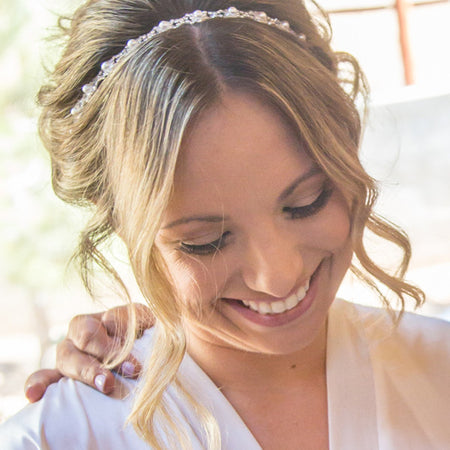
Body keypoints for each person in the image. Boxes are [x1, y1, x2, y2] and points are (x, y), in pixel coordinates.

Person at [1, 0, 449, 448]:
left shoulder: (438, 370)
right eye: (206, 242)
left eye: (307, 203)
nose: (278, 277)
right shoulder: (57, 437)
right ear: (124, 225)